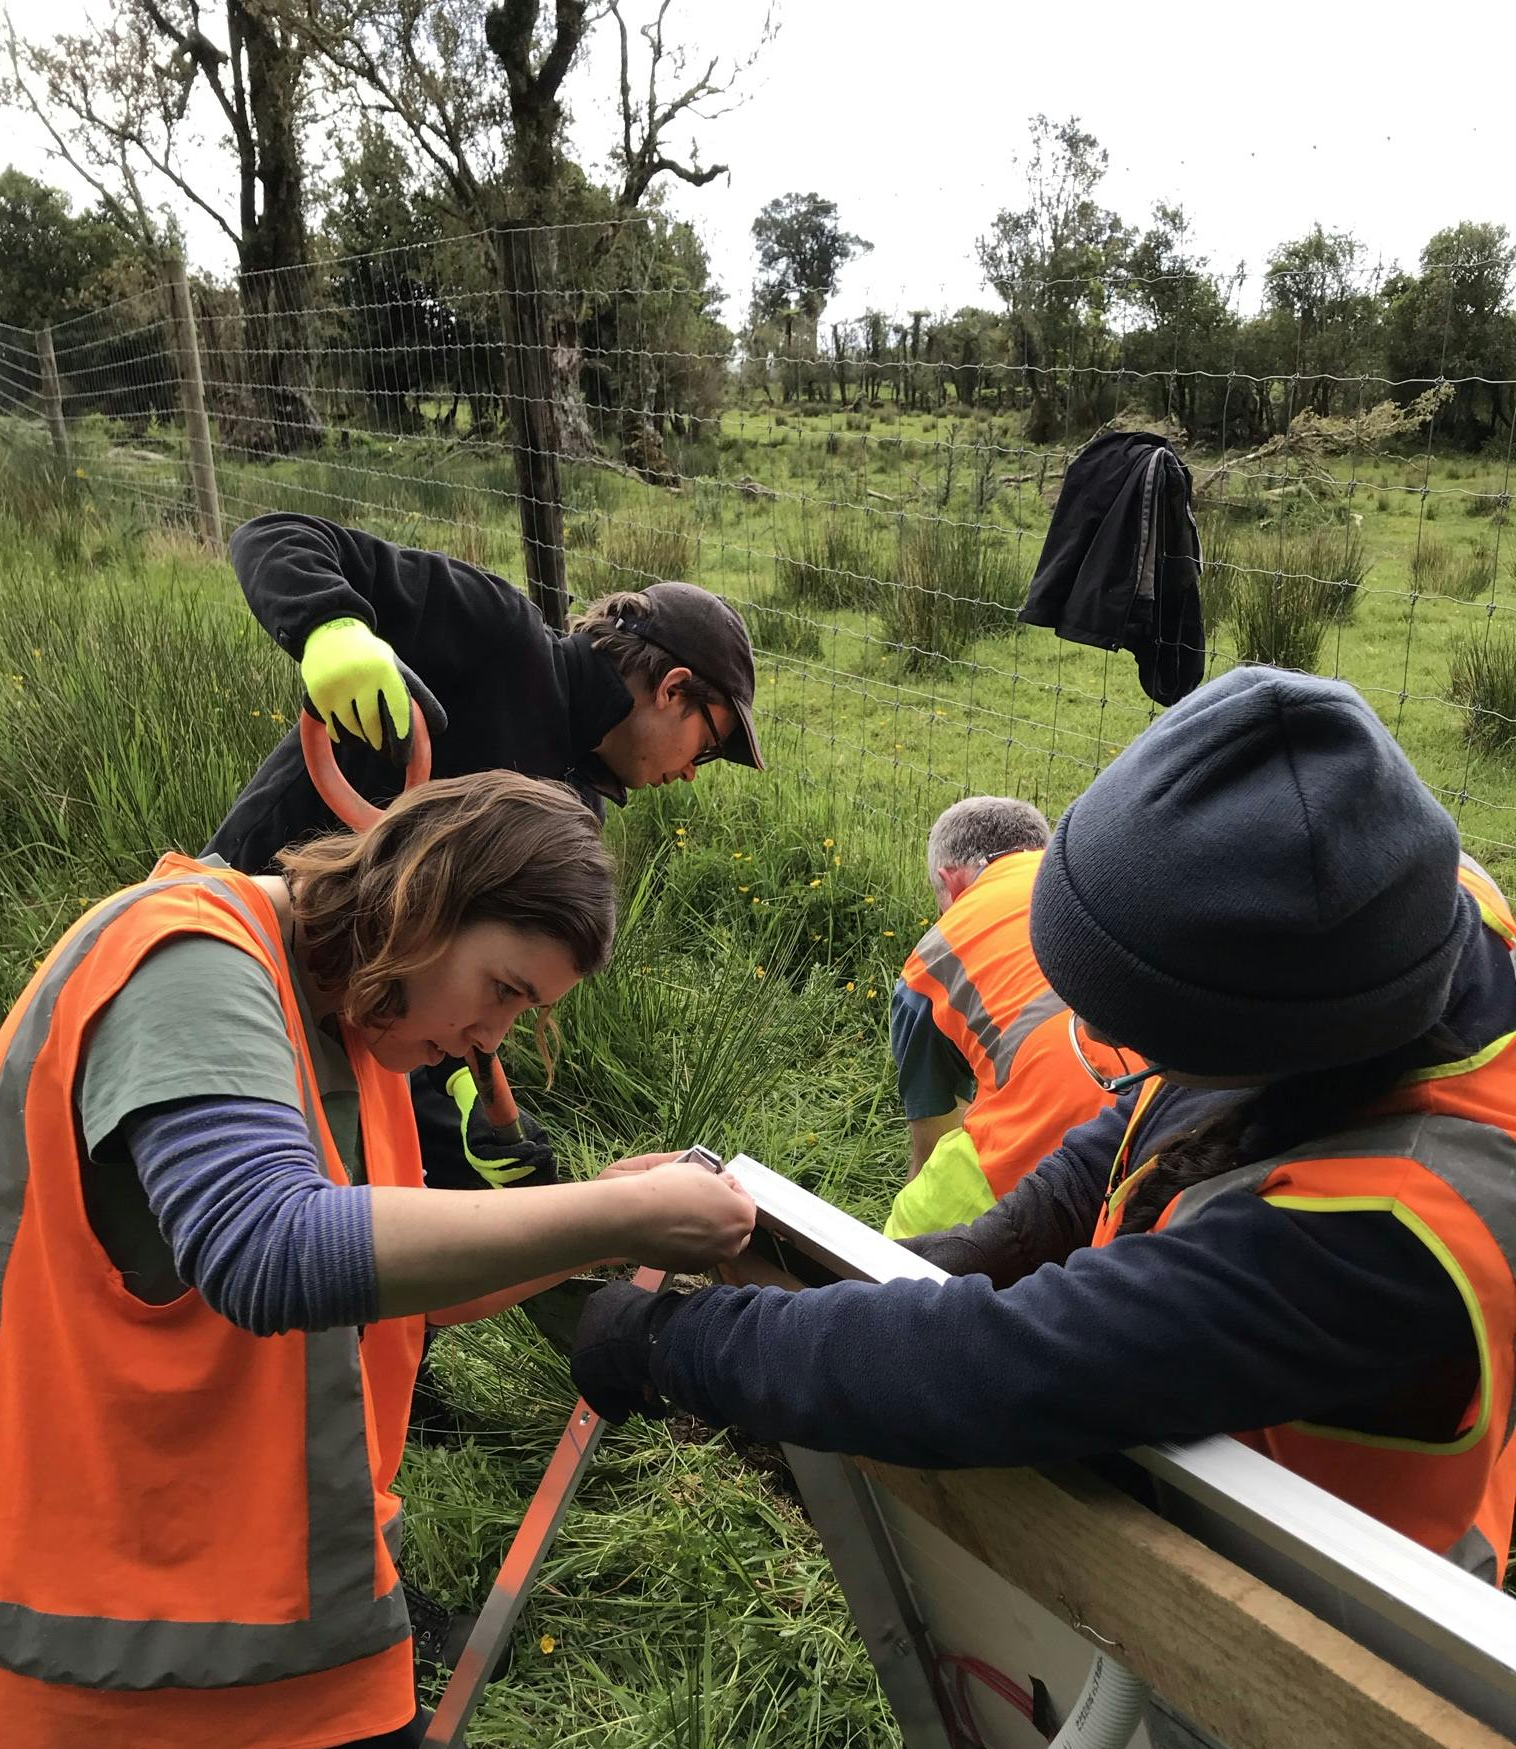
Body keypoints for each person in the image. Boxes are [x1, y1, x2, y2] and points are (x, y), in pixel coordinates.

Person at [0, 770, 755, 1749]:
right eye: (505, 987)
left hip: (282, 1584)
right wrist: (620, 1215)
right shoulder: (187, 958)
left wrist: (577, 1237)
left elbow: (383, 1281)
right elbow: (269, 1245)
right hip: (137, 1617)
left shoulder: (348, 1023)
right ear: (428, 895)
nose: (492, 1037)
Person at [568, 667, 1516, 1582]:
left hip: (1346, 1605)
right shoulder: (1403, 910)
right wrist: (964, 1251)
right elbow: (1148, 1120)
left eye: (1130, 1019)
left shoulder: (1387, 1230)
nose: (1092, 1037)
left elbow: (1010, 1366)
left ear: (1264, 1030)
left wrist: (679, 1347)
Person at [209, 512, 764, 1197]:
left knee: (328, 1196)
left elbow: (455, 992)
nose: (691, 773)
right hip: (250, 941)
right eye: (706, 746)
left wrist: (472, 1123)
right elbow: (277, 537)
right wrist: (333, 630)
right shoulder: (501, 639)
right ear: (673, 688)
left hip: (359, 1014)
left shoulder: (572, 813)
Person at [885, 795, 1107, 1238]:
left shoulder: (929, 962)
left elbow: (932, 1135)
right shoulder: (1096, 880)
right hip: (1175, 1113)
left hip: (1069, 1131)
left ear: (951, 882)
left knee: (908, 1239)